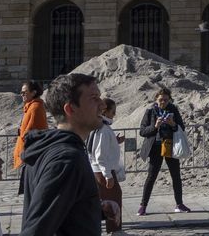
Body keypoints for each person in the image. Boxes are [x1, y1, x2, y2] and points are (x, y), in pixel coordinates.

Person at [21, 72, 119, 236]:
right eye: (94, 98)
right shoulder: (66, 160)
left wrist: (94, 208)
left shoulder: (50, 148)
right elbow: (36, 229)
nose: (102, 105)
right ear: (70, 108)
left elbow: (58, 209)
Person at [136, 87, 191, 216]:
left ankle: (179, 204)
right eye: (161, 100)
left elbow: (181, 127)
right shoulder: (150, 111)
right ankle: (143, 205)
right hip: (155, 146)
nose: (163, 102)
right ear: (156, 99)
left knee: (176, 175)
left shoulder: (173, 109)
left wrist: (173, 124)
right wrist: (155, 126)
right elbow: (142, 131)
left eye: (166, 100)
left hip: (170, 145)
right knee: (151, 176)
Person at [88, 98, 126, 234]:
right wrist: (108, 175)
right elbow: (99, 155)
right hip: (104, 170)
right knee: (113, 200)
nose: (114, 115)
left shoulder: (99, 126)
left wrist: (114, 141)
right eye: (113, 111)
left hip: (100, 170)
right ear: (105, 111)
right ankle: (114, 230)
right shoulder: (103, 129)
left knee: (107, 199)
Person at [14, 80, 48, 194]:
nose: (22, 94)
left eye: (24, 92)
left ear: (33, 93)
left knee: (31, 190)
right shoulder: (31, 107)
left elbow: (31, 131)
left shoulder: (35, 107)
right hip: (29, 152)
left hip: (32, 154)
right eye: (21, 92)